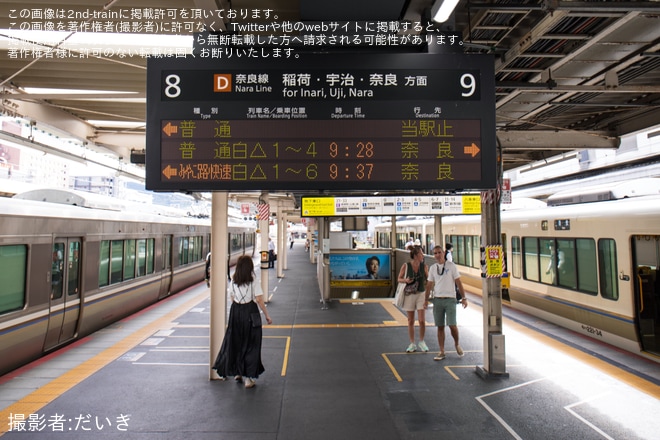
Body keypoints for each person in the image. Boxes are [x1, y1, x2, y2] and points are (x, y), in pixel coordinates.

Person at [213, 255, 272, 388]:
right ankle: (249, 378)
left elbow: (232, 298)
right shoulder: (253, 280)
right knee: (252, 344)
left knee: (236, 342)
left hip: (236, 312)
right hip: (251, 311)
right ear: (250, 266)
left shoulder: (233, 280)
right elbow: (259, 299)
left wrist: (238, 308)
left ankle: (237, 372)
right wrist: (267, 315)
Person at [424, 245, 467, 360]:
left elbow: (458, 282)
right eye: (435, 253)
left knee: (452, 325)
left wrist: (464, 298)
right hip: (438, 300)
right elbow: (429, 285)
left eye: (439, 252)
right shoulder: (433, 268)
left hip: (450, 299)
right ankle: (442, 351)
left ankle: (457, 344)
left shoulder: (451, 266)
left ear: (443, 253)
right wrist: (425, 300)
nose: (437, 255)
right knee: (440, 326)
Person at [398, 246, 429, 353]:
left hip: (421, 294)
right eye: (421, 253)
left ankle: (422, 341)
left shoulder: (424, 266)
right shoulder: (406, 266)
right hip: (409, 294)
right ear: (415, 256)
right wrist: (405, 280)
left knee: (422, 320)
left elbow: (428, 280)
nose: (423, 255)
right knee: (410, 320)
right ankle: (412, 343)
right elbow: (399, 279)